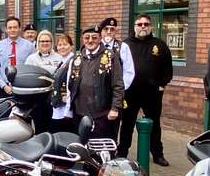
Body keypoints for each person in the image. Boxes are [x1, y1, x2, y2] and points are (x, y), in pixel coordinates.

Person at [118, 14, 173, 166]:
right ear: (134, 26)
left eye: (146, 24)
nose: (143, 26)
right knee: (127, 124)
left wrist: (162, 84)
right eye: (140, 24)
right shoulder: (125, 45)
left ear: (151, 27)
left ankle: (157, 154)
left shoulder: (159, 45)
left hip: (152, 93)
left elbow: (167, 67)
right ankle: (122, 152)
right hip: (130, 93)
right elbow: (119, 68)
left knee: (154, 124)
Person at [64, 25, 124, 140]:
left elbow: (118, 85)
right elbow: (69, 84)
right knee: (81, 145)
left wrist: (115, 108)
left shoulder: (111, 56)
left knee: (102, 146)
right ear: (83, 39)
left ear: (100, 38)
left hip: (102, 113)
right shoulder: (77, 57)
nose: (90, 40)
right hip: (79, 112)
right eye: (87, 37)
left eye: (94, 37)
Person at [0, 16, 35, 95]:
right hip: (3, 88)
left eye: (15, 27)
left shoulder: (29, 46)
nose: (12, 30)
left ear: (20, 28)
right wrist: (4, 86)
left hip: (23, 87)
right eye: (10, 27)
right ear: (6, 29)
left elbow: (32, 68)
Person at [50, 33, 76, 133]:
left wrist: (68, 109)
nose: (62, 47)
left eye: (65, 44)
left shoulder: (73, 61)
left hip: (66, 108)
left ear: (71, 47)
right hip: (59, 105)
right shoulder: (62, 61)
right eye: (60, 45)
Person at [99, 17, 135, 90]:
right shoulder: (96, 46)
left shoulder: (123, 47)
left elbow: (129, 71)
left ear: (116, 31)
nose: (109, 32)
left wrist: (121, 89)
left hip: (116, 90)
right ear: (101, 31)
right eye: (106, 29)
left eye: (112, 29)